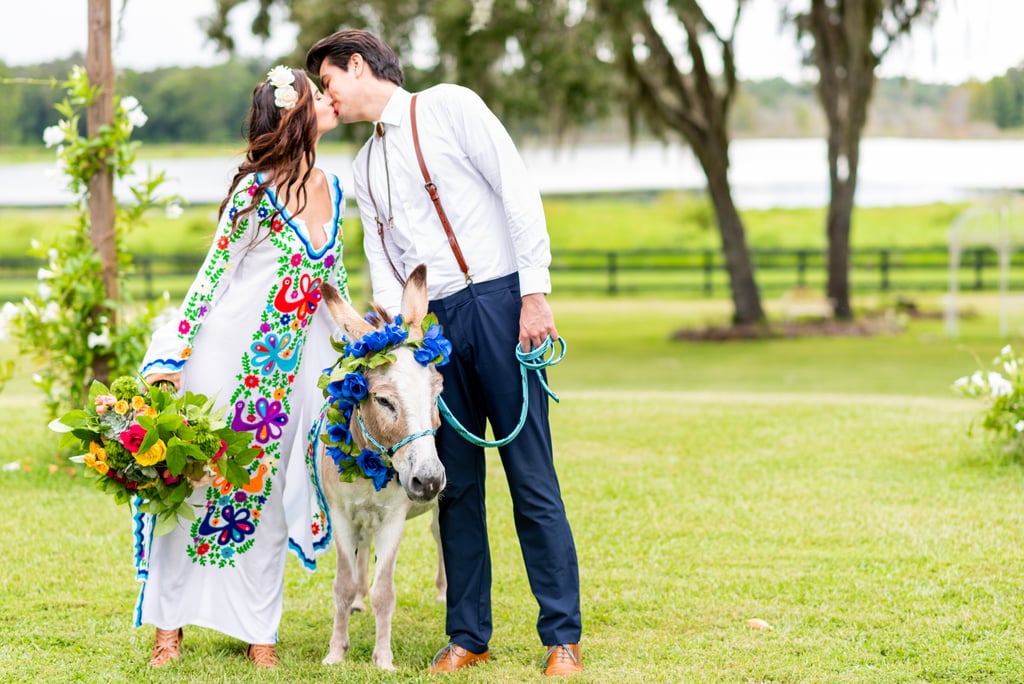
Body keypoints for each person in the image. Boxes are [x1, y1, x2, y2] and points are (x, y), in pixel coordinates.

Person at [306, 30, 583, 677]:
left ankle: (562, 637)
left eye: (329, 81)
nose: (328, 96)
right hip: (427, 333)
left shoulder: (450, 107)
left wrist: (534, 293)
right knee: (448, 484)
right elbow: (380, 258)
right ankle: (468, 635)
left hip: (497, 300)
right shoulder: (363, 167)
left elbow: (516, 189)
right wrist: (388, 339)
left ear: (357, 64)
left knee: (530, 475)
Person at [133, 65, 347, 669]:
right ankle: (167, 629)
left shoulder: (335, 188)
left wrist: (361, 342)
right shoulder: (254, 192)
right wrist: (173, 357)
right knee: (195, 491)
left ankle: (260, 633)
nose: (325, 98)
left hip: (289, 377)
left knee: (269, 495)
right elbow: (211, 277)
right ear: (295, 114)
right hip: (225, 363)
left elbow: (335, 285)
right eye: (313, 93)